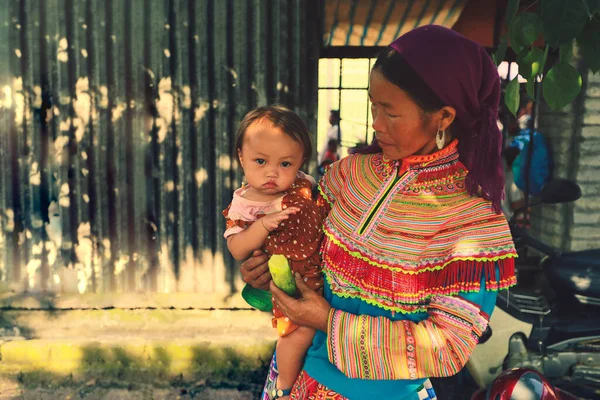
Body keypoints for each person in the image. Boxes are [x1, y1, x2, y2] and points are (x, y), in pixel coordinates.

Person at [239, 26, 517, 399]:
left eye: (391, 112)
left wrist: (326, 321)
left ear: (444, 117)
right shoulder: (349, 176)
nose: (376, 123)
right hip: (295, 379)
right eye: (374, 105)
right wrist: (267, 271)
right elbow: (302, 251)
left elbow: (448, 348)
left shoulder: (471, 224)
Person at [222, 105, 325, 400]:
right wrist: (263, 225)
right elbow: (237, 247)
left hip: (317, 269)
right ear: (241, 156)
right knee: (298, 333)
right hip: (290, 281)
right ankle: (284, 390)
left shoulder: (304, 185)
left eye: (285, 164)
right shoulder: (245, 204)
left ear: (301, 162)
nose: (272, 173)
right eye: (260, 161)